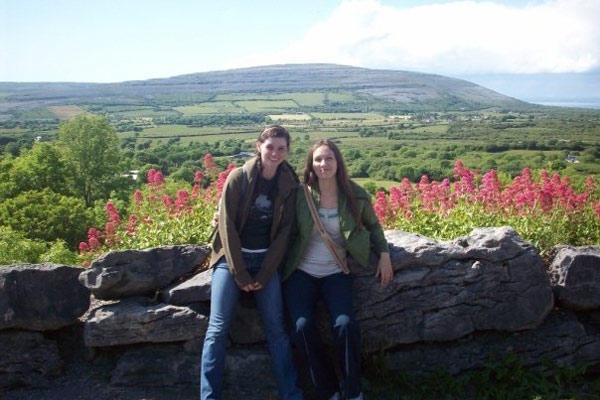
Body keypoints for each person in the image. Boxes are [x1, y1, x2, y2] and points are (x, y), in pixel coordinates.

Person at [281, 139, 394, 400]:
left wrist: (385, 254)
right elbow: (276, 222)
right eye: (318, 159)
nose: (323, 164)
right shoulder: (301, 195)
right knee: (301, 327)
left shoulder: (355, 194)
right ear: (311, 164)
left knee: (345, 326)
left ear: (338, 162)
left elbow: (374, 227)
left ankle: (353, 390)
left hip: (337, 272)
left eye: (329, 158)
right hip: (302, 273)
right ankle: (328, 390)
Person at [201, 125, 303, 400]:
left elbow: (285, 232)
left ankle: (291, 394)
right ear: (259, 146)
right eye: (270, 147)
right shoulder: (238, 178)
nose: (275, 153)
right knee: (218, 327)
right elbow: (226, 225)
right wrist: (240, 272)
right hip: (231, 259)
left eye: (281, 148)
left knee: (277, 329)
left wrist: (267, 271)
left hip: (266, 261)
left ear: (287, 151)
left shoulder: (290, 184)